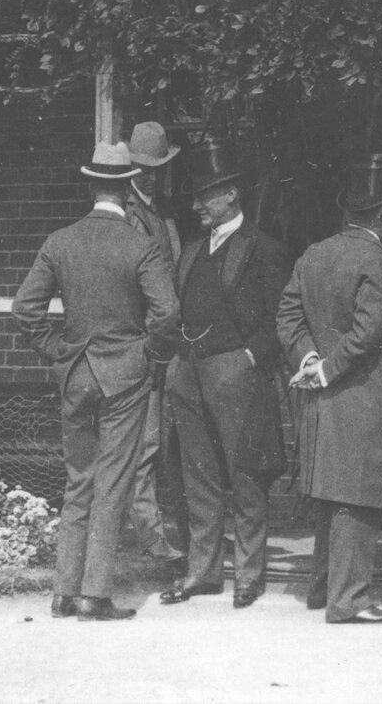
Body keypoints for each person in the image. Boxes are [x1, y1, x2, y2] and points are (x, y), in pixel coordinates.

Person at [12, 140, 179, 621]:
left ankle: (64, 592)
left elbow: (25, 310)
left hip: (75, 374)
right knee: (113, 483)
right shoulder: (141, 244)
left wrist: (57, 352)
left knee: (77, 482)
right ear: (128, 187)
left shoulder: (60, 241)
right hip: (124, 375)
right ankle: (95, 595)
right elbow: (167, 312)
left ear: (91, 185)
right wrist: (147, 353)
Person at [277, 153, 382, 624]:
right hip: (364, 397)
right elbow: (369, 331)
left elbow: (287, 316)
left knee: (332, 496)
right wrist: (329, 367)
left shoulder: (313, 253)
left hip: (323, 397)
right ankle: (348, 599)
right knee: (357, 497)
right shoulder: (379, 261)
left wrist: (310, 360)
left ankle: (322, 589)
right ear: (381, 214)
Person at [160, 136, 290, 610]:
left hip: (236, 374)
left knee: (246, 473)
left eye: (206, 196)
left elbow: (281, 320)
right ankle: (203, 573)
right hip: (188, 372)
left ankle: (249, 575)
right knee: (198, 476)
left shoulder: (263, 249)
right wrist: (177, 360)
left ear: (231, 193)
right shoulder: (192, 251)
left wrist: (249, 360)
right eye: (196, 197)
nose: (197, 206)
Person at [123, 121, 187, 571]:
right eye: (143, 168)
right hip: (142, 342)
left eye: (157, 168)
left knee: (162, 441)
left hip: (169, 341)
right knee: (144, 443)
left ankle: (162, 528)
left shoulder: (164, 213)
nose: (150, 175)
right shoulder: (128, 214)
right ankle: (149, 535)